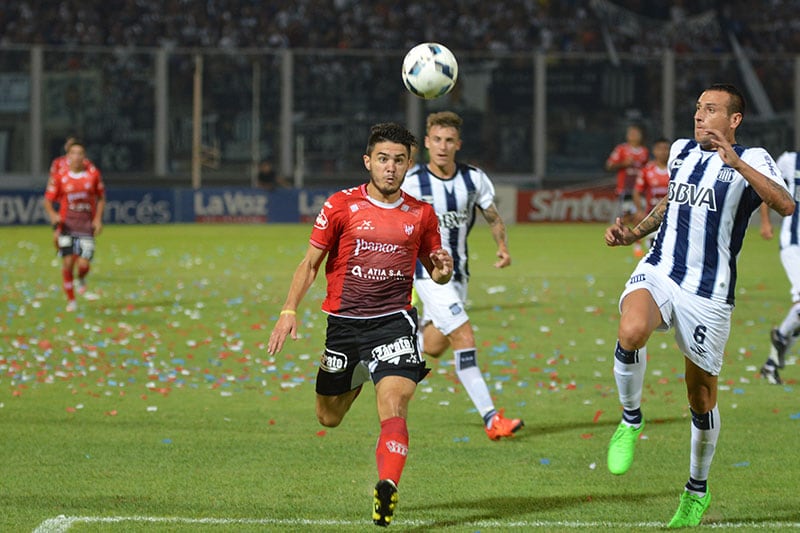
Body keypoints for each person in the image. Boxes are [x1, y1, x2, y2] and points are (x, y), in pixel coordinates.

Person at [603, 84, 794, 528]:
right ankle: (631, 420)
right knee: (631, 329)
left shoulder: (757, 157)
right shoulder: (683, 153)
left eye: (711, 110)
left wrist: (738, 163)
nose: (699, 116)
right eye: (697, 109)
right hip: (662, 270)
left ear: (734, 120)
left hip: (708, 294)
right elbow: (672, 204)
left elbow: (785, 204)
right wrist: (634, 234)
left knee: (700, 397)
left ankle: (696, 490)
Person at [267, 123, 453, 528]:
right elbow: (310, 263)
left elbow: (435, 270)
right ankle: (362, 372)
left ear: (409, 165)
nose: (390, 168)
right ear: (368, 161)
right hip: (345, 327)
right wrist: (288, 309)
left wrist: (440, 271)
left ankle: (387, 484)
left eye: (399, 160)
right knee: (328, 418)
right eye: (383, 159)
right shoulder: (340, 206)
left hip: (394, 325)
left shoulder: (421, 214)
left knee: (395, 406)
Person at [401, 111, 523, 441]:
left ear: (458, 144)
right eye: (436, 140)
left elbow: (493, 216)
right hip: (426, 275)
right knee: (464, 336)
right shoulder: (411, 182)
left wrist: (503, 247)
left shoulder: (474, 179)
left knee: (434, 345)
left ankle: (388, 352)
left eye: (449, 140)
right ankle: (492, 419)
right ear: (426, 143)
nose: (442, 146)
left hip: (459, 275)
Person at [43, 139, 106, 312]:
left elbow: (100, 197)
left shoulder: (92, 175)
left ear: (84, 157)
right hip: (67, 225)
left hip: (86, 226)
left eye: (80, 153)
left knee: (84, 264)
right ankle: (71, 300)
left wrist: (98, 219)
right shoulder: (60, 176)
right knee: (68, 261)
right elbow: (48, 200)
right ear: (68, 156)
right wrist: (54, 215)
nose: (76, 157)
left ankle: (82, 278)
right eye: (73, 153)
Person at [758, 149, 800, 385]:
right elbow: (768, 188)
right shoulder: (789, 160)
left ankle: (772, 362)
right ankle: (778, 346)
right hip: (793, 243)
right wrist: (765, 222)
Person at [606, 124, 650, 256]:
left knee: (639, 215)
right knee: (626, 217)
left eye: (636, 133)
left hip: (640, 190)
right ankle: (616, 237)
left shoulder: (644, 151)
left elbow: (647, 169)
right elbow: (609, 165)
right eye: (631, 133)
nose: (634, 136)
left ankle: (638, 245)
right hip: (625, 189)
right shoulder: (622, 149)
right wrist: (623, 163)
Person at [632, 137, 671, 252]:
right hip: (653, 215)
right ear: (654, 151)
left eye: (666, 149)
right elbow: (637, 192)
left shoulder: (675, 169)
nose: (663, 152)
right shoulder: (647, 170)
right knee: (655, 250)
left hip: (672, 215)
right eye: (660, 149)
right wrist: (639, 210)